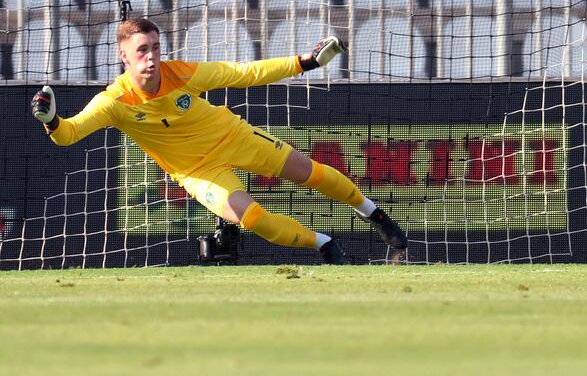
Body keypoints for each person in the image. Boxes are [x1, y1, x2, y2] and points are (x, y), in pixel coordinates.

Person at [30, 17, 407, 264]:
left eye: (156, 47)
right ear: (124, 57)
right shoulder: (113, 102)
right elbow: (70, 133)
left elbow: (243, 73)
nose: (151, 57)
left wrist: (305, 62)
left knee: (309, 173)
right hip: (197, 171)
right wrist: (51, 120)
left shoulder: (182, 74)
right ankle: (324, 243)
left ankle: (374, 214)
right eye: (142, 50)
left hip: (232, 136)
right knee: (253, 218)